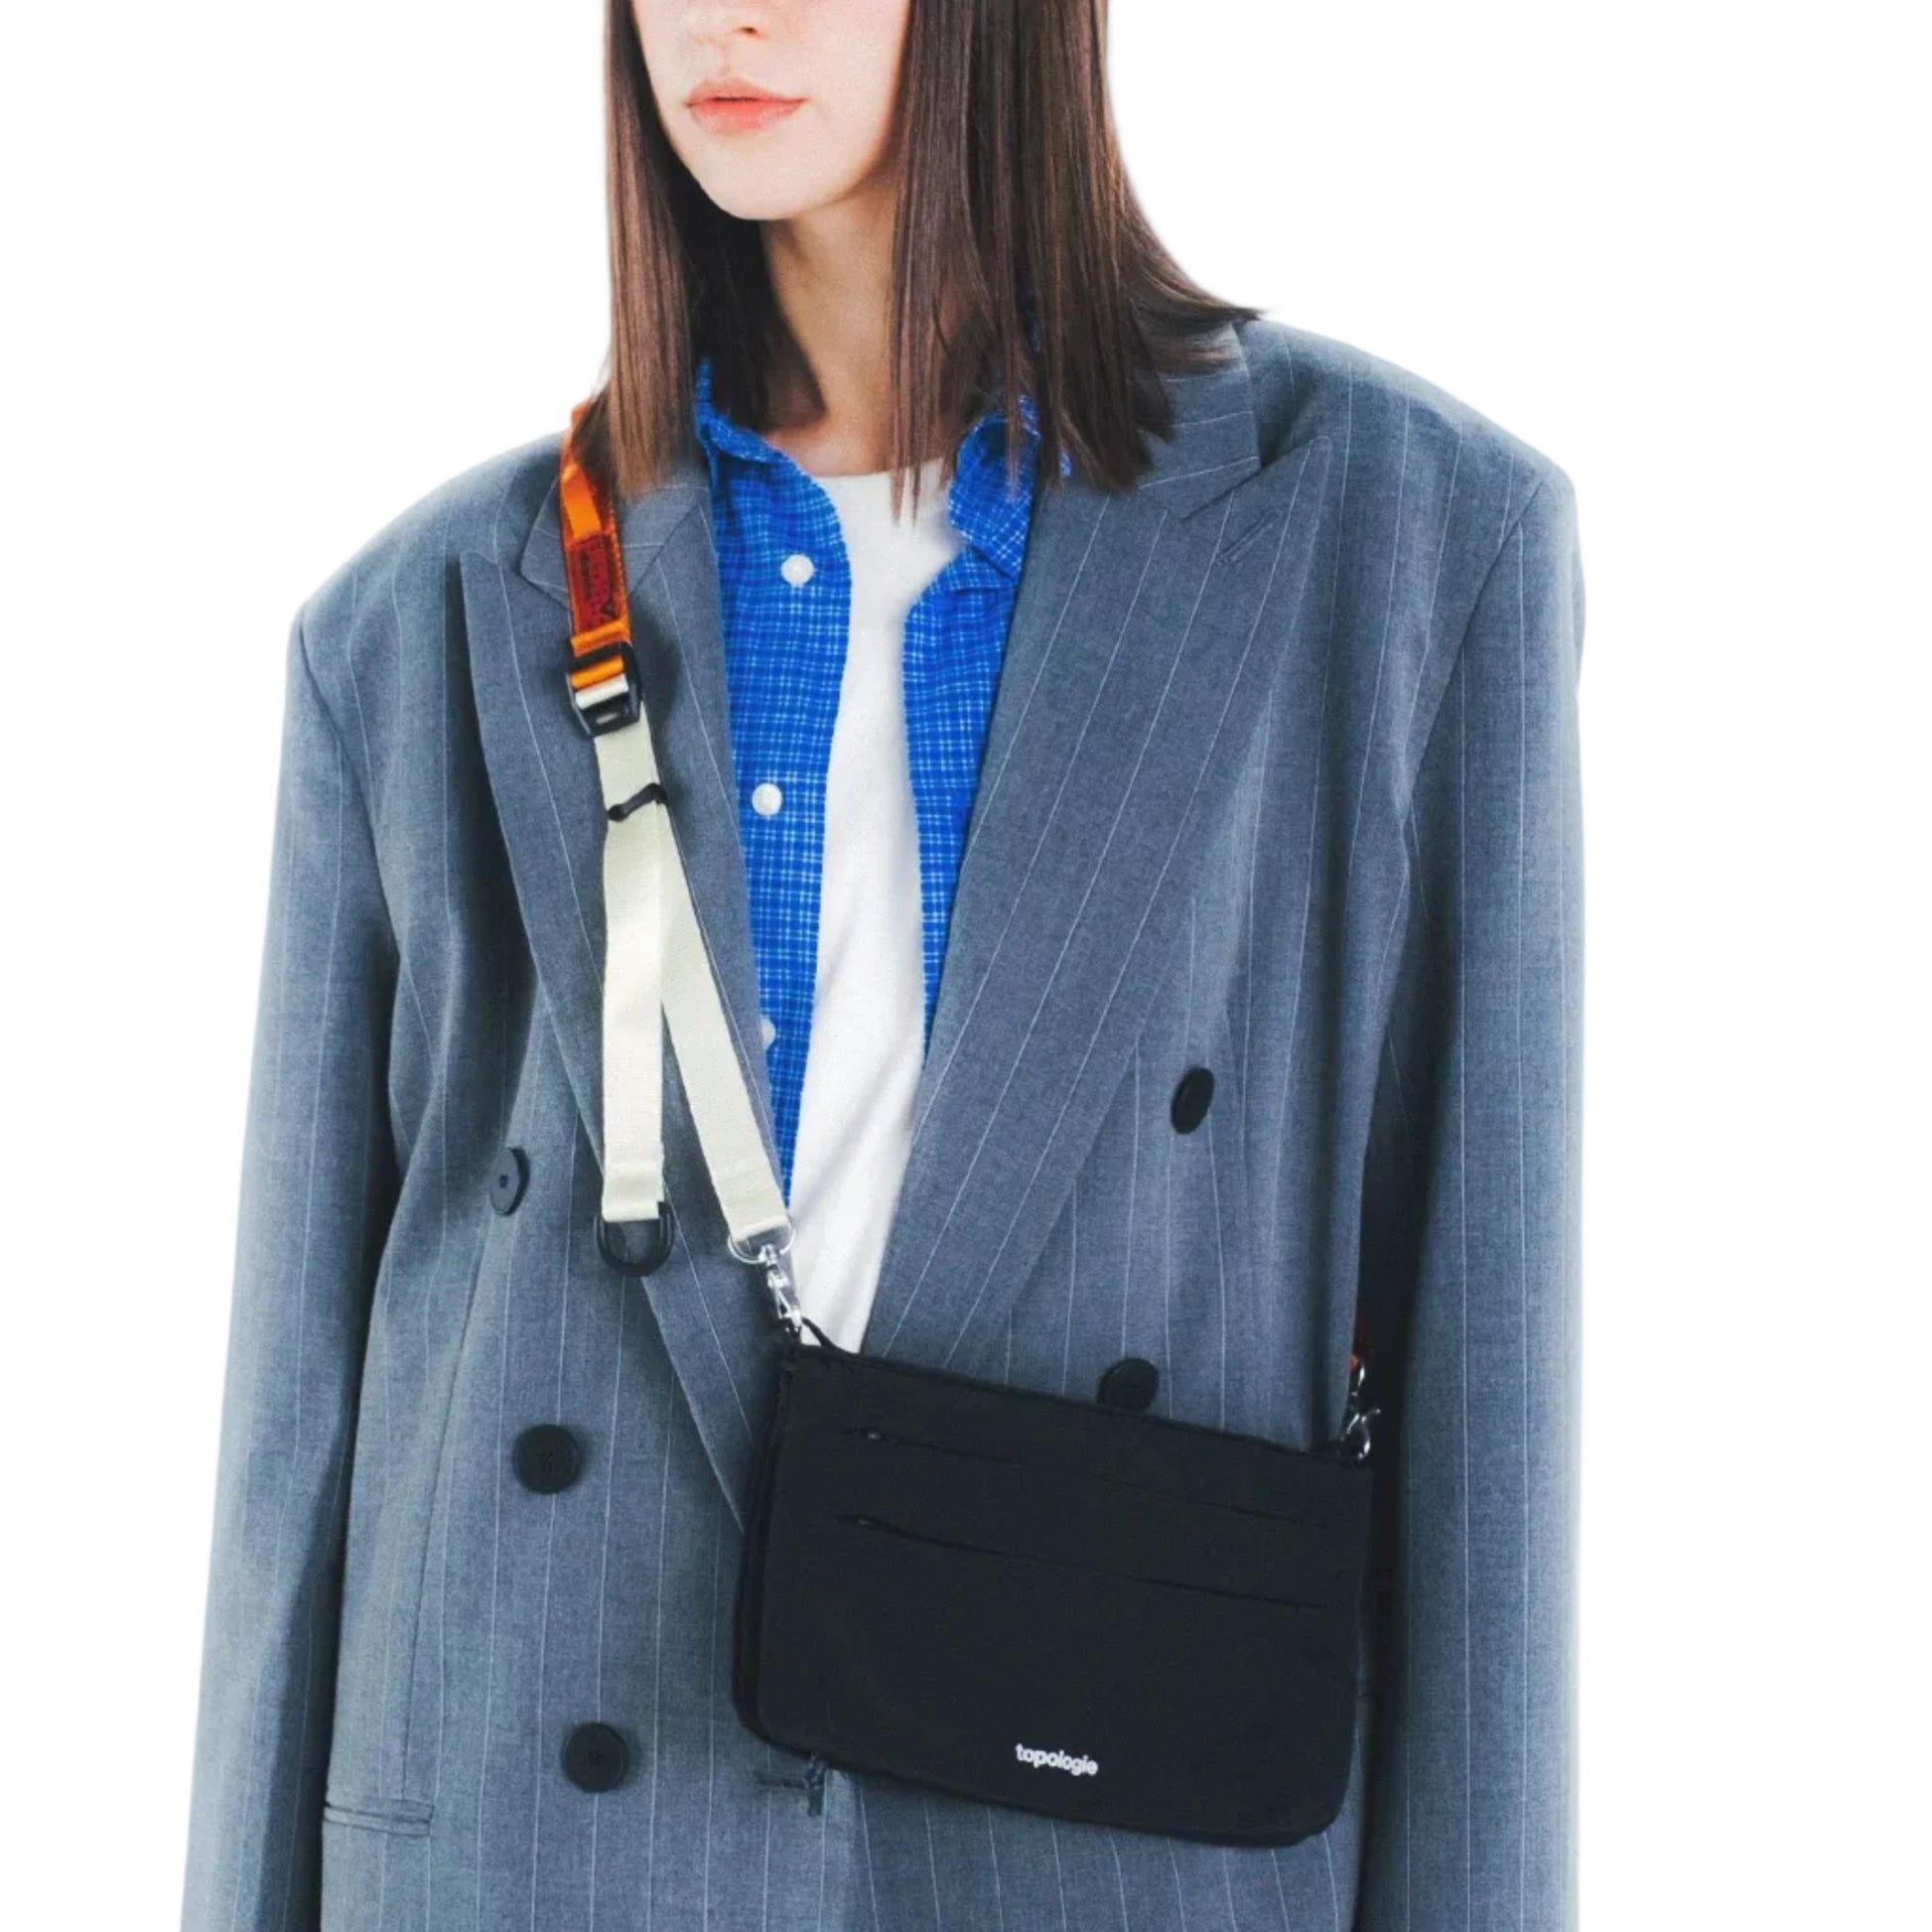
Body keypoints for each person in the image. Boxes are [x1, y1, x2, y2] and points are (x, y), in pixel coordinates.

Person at [179, 1, 1587, 1927]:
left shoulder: (1407, 542)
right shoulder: (417, 619)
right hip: (526, 1838)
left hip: (1099, 1849)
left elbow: (1482, 1410)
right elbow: (291, 1455)